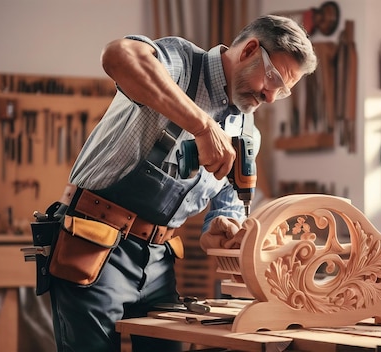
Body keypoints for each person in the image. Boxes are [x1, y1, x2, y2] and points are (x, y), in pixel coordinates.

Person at [47, 14, 317, 352]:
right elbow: (117, 56)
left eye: (284, 90)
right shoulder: (182, 64)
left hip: (158, 263)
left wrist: (222, 230)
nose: (272, 97)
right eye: (273, 78)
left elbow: (223, 215)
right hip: (93, 245)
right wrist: (202, 127)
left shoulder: (247, 134)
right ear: (249, 50)